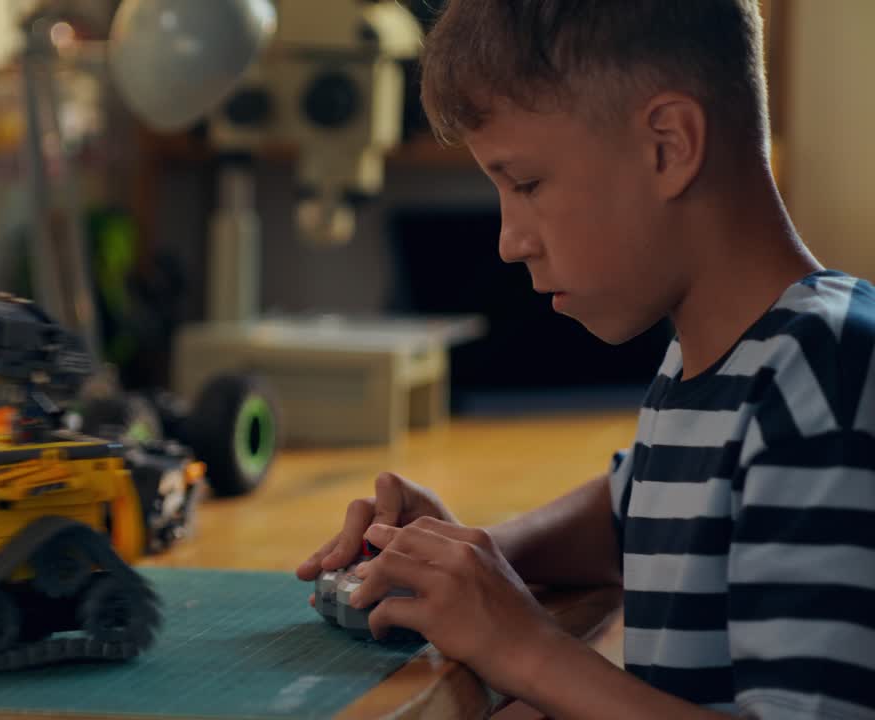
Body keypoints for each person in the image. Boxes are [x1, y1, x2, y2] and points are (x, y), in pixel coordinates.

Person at [296, 2, 875, 718]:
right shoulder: (714, 366)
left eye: (528, 185)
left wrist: (526, 647)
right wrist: (466, 554)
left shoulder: (823, 379)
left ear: (668, 145)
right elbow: (634, 514)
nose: (510, 241)